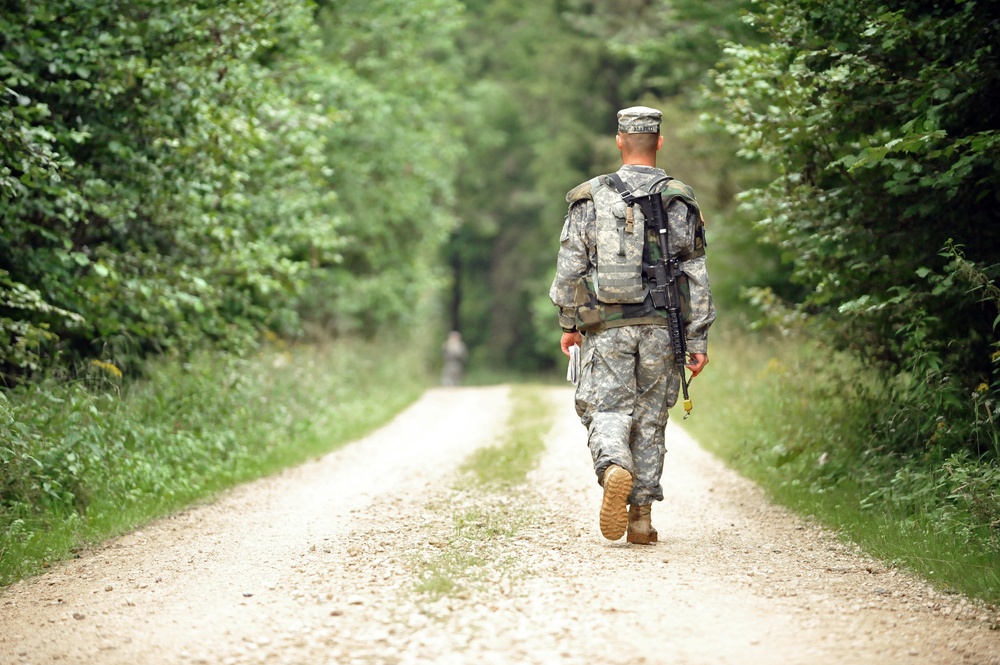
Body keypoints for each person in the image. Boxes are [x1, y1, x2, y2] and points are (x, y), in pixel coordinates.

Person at [548, 106, 716, 544]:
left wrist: (569, 322)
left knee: (606, 408)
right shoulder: (680, 198)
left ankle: (613, 466)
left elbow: (570, 270)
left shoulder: (590, 197)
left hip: (606, 326)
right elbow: (696, 273)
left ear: (619, 140)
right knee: (650, 417)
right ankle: (640, 518)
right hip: (664, 328)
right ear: (659, 142)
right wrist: (697, 337)